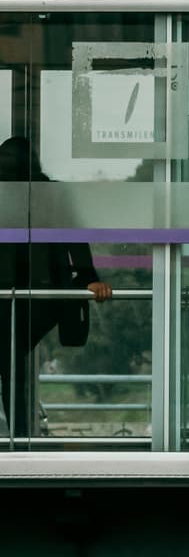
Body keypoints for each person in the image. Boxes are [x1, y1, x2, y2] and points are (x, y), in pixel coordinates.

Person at [0, 137, 112, 438]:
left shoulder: (33, 193)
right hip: (44, 293)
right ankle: (20, 437)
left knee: (10, 360)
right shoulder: (52, 193)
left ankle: (20, 438)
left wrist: (88, 276)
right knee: (12, 361)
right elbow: (75, 238)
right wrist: (88, 276)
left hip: (13, 294)